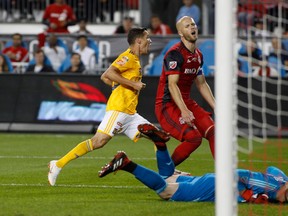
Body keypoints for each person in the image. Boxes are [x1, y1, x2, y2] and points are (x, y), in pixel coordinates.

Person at [48, 27, 171, 186]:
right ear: (139, 41)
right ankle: (57, 165)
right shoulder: (127, 57)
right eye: (148, 38)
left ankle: (168, 174)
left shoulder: (134, 59)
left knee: (157, 137)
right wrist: (132, 84)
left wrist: (119, 84)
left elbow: (107, 77)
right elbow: (108, 74)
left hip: (130, 113)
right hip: (119, 109)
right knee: (98, 142)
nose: (150, 41)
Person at [99, 127, 288, 204]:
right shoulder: (273, 188)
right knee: (165, 191)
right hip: (215, 187)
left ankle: (160, 144)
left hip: (211, 181)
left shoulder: (280, 178)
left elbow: (271, 169)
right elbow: (237, 174)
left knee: (168, 177)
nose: (284, 200)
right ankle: (126, 164)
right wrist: (245, 193)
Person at [155, 16, 215, 167]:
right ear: (181, 33)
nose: (192, 28)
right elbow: (172, 85)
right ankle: (166, 171)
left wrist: (216, 106)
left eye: (193, 24)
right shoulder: (174, 54)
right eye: (187, 26)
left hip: (186, 102)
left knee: (215, 133)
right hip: (167, 104)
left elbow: (201, 84)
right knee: (194, 138)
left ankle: (226, 176)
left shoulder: (198, 55)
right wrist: (184, 110)